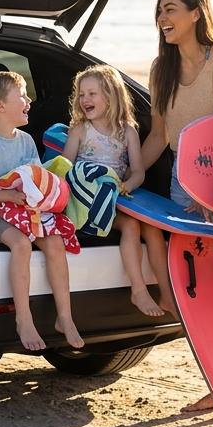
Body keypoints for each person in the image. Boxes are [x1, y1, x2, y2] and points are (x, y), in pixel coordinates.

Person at [138, 0, 213, 414]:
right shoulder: (160, 69)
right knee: (199, 295)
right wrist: (130, 177)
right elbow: (160, 136)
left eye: (171, 10)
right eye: (159, 11)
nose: (163, 18)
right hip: (183, 186)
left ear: (196, 13)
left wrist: (211, 190)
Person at [0, 71, 83, 351]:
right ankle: (24, 318)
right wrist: (6, 196)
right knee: (20, 244)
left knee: (55, 242)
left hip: (22, 207)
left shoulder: (27, 140)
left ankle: (64, 317)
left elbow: (34, 177)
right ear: (0, 106)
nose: (29, 100)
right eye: (22, 96)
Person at [58, 65, 158, 316]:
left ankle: (151, 290)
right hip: (84, 199)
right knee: (131, 226)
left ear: (111, 96)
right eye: (81, 94)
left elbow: (138, 172)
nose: (85, 100)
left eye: (92, 93)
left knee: (142, 225)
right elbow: (64, 170)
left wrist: (128, 186)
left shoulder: (128, 131)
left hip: (114, 197)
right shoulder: (80, 130)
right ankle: (139, 290)